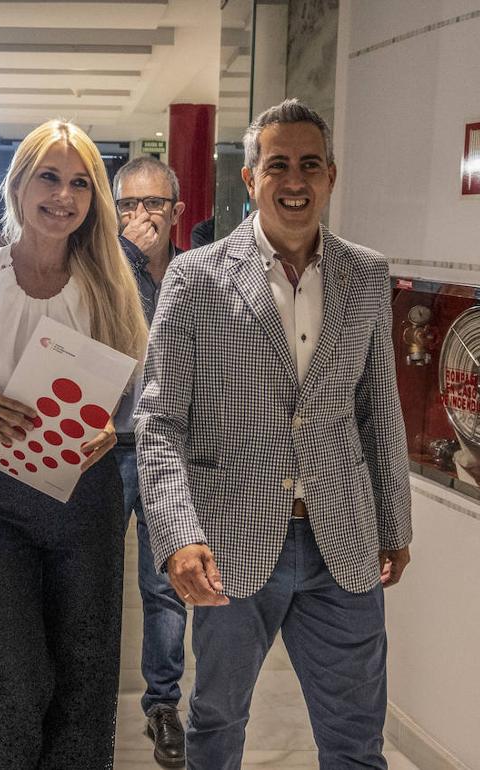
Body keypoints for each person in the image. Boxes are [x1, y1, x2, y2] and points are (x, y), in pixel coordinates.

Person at [136, 98, 413, 769]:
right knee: (217, 722)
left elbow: (379, 407)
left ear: (331, 176)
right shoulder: (195, 277)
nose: (295, 180)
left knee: (355, 738)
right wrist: (177, 535)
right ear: (251, 178)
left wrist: (394, 521)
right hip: (230, 542)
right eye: (279, 164)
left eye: (310, 165)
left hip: (341, 542)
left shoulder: (367, 275)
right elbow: (158, 419)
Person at [0, 119, 148, 768]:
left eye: (80, 183)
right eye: (49, 178)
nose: (63, 196)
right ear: (20, 185)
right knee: (19, 668)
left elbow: (124, 388)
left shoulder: (106, 279)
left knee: (85, 668)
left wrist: (112, 427)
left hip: (84, 495)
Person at [111, 155, 188, 767]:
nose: (141, 216)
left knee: (165, 586)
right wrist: (129, 261)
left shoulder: (197, 277)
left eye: (153, 204)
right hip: (105, 448)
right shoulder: (102, 274)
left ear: (177, 212)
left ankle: (163, 704)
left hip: (171, 457)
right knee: (95, 579)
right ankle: (83, 694)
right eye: (128, 206)